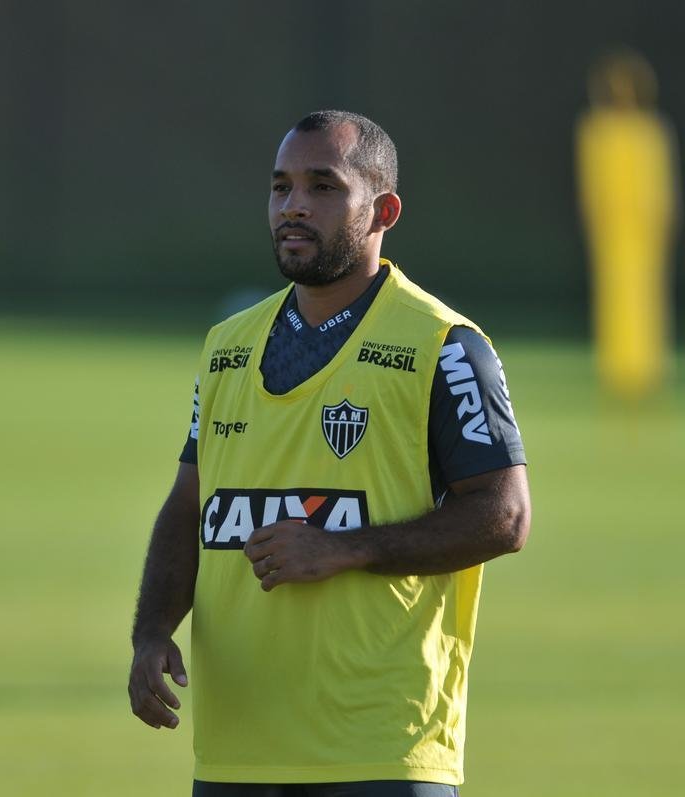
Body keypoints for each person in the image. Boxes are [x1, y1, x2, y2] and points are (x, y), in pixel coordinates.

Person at [128, 110, 532, 797]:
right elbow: (191, 503)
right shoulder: (227, 346)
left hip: (381, 745)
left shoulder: (444, 345)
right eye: (281, 187)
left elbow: (503, 515)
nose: (294, 206)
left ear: (384, 210)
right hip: (239, 748)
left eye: (323, 187)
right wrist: (151, 630)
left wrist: (345, 547)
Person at [576, 49, 681, 403]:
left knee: (648, 297)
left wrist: (663, 216)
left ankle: (647, 368)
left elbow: (660, 180)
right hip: (612, 229)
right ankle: (618, 368)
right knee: (613, 298)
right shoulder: (597, 130)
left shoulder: (651, 130)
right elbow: (593, 181)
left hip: (643, 229)